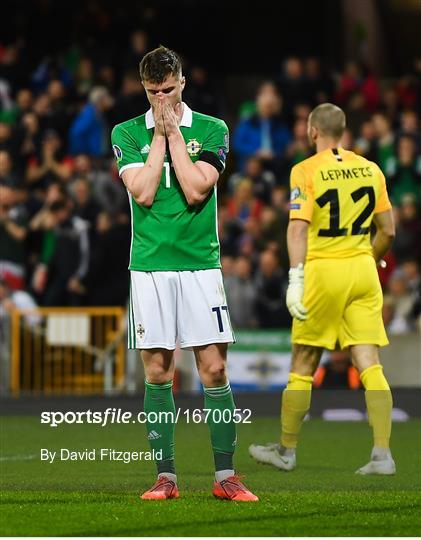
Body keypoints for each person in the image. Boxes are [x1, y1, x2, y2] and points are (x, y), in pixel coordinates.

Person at [111, 46, 257, 502]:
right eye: (153, 92)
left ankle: (226, 476)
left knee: (213, 369)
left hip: (200, 266)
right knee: (158, 372)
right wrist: (160, 134)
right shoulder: (127, 132)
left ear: (183, 82)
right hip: (150, 266)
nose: (162, 100)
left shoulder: (213, 128)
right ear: (144, 87)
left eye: (169, 90)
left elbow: (196, 190)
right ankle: (166, 478)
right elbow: (145, 191)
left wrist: (174, 134)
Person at [249, 103, 396, 475]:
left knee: (303, 363)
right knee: (370, 364)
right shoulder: (371, 169)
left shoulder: (305, 170)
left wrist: (295, 279)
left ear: (313, 131)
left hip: (323, 272)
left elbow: (297, 228)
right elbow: (388, 231)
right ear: (343, 130)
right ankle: (382, 454)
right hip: (362, 272)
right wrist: (370, 258)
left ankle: (286, 449)